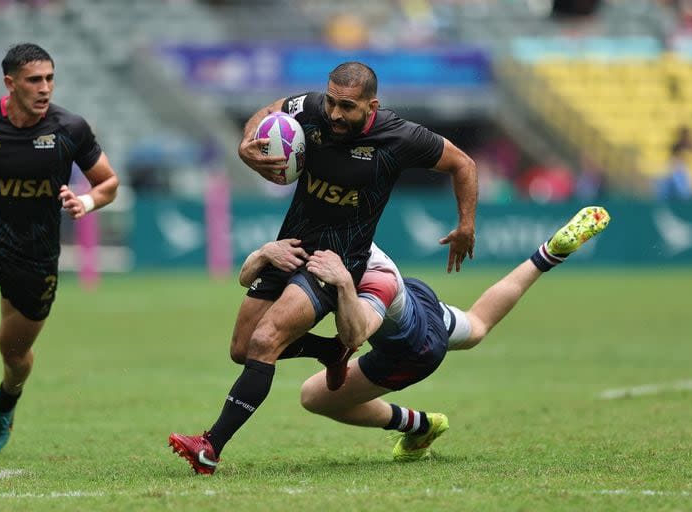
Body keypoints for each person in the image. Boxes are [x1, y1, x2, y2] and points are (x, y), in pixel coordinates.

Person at [168, 61, 478, 474]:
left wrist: (465, 226)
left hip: (336, 260)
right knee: (242, 349)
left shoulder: (400, 136)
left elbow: (464, 164)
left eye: (346, 107)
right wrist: (247, 143)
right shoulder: (313, 109)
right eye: (330, 101)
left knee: (265, 341)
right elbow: (271, 110)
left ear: (372, 105)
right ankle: (330, 349)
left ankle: (210, 446)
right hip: (290, 246)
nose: (333, 114)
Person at [261, 206, 611, 465]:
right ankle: (549, 253)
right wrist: (263, 254)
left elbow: (354, 336)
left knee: (314, 396)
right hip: (418, 302)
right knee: (477, 326)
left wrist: (341, 287)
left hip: (412, 349)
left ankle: (421, 425)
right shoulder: (353, 243)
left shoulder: (370, 279)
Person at [0, 43, 119, 452]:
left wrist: (85, 201)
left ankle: (6, 400)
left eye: (50, 79)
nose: (45, 88)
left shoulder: (70, 129)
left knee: (15, 355)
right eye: (35, 80)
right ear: (10, 83)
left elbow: (109, 182)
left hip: (36, 257)